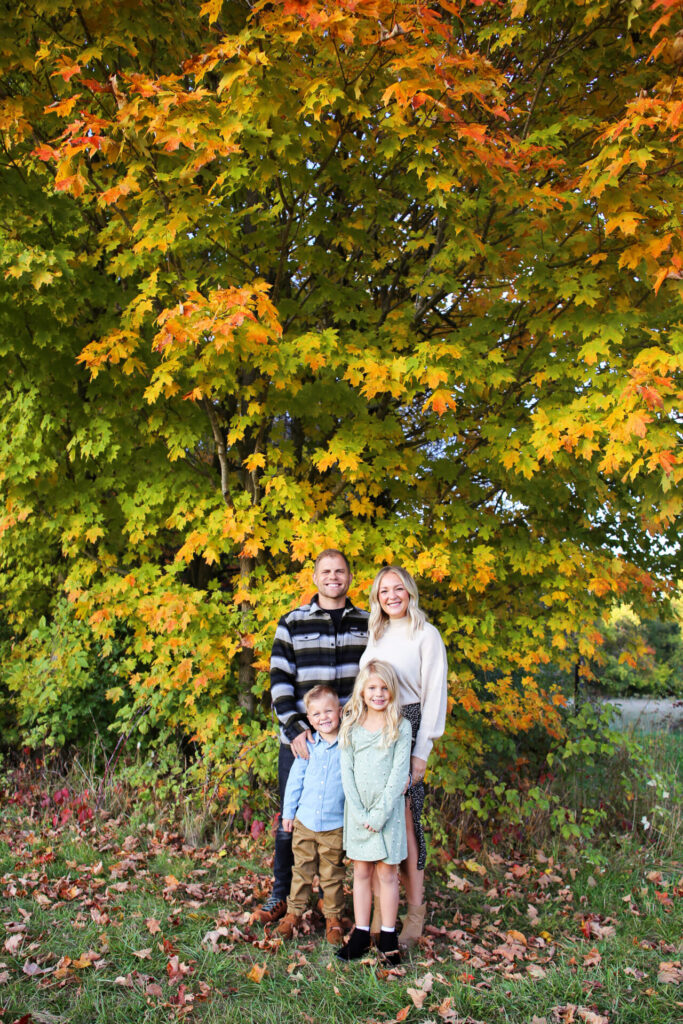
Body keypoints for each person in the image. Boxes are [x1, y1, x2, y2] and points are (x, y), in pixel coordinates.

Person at [250, 549, 369, 925]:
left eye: (340, 571)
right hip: (302, 744)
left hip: (351, 743)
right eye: (326, 571)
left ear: (350, 577)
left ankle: (338, 902)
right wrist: (296, 729)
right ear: (315, 577)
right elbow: (280, 682)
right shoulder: (292, 622)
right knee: (292, 818)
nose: (333, 577)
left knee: (348, 818)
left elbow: (376, 679)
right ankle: (280, 893)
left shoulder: (367, 623)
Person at [359, 565, 448, 948]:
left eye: (398, 589)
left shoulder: (425, 635)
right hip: (374, 725)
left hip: (409, 724)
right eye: (383, 591)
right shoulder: (375, 633)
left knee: (408, 821)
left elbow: (435, 695)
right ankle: (383, 910)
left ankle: (415, 911)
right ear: (377, 598)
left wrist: (422, 752)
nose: (391, 596)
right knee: (379, 816)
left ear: (409, 591)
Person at [335, 660, 412, 964]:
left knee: (388, 873)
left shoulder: (400, 727)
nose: (378, 694)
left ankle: (388, 935)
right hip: (357, 814)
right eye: (372, 688)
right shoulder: (351, 725)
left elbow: (398, 774)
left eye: (384, 688)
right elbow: (347, 773)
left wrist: (379, 814)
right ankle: (362, 933)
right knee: (362, 872)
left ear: (392, 691)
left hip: (387, 814)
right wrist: (359, 811)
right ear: (362, 691)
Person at [275, 685, 346, 943]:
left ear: (339, 711)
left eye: (328, 711)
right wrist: (288, 812)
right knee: (302, 870)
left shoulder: (347, 746)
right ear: (308, 718)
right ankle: (293, 913)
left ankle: (333, 917)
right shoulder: (308, 745)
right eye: (315, 714)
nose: (323, 718)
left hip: (334, 825)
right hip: (305, 822)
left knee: (332, 874)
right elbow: (294, 782)